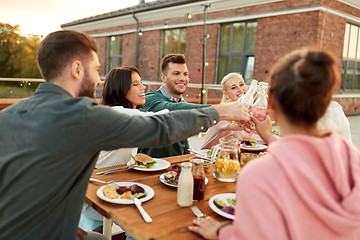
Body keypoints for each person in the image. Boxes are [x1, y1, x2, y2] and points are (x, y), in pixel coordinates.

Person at [0, 30, 251, 240]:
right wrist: (221, 110)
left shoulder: (9, 116)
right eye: (95, 69)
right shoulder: (83, 115)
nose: (99, 80)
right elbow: (160, 127)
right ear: (77, 69)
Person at [189, 48, 360, 239]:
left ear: (271, 103)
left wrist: (220, 231)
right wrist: (267, 135)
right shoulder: (355, 162)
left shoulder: (258, 176)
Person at [79, 66, 168, 237]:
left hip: (111, 187)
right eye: (136, 84)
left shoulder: (126, 114)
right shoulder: (117, 115)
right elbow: (162, 120)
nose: (143, 88)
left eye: (141, 82)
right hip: (92, 196)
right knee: (143, 224)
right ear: (120, 90)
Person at [138, 53, 211, 158]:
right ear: (164, 78)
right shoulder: (150, 99)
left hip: (175, 169)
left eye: (185, 74)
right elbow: (170, 110)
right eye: (176, 73)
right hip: (149, 170)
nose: (182, 78)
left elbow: (183, 145)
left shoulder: (182, 104)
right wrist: (221, 109)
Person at [201, 73, 249, 149]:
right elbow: (238, 125)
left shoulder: (247, 109)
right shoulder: (223, 112)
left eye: (241, 84)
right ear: (226, 94)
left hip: (231, 156)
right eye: (233, 88)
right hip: (208, 156)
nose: (240, 89)